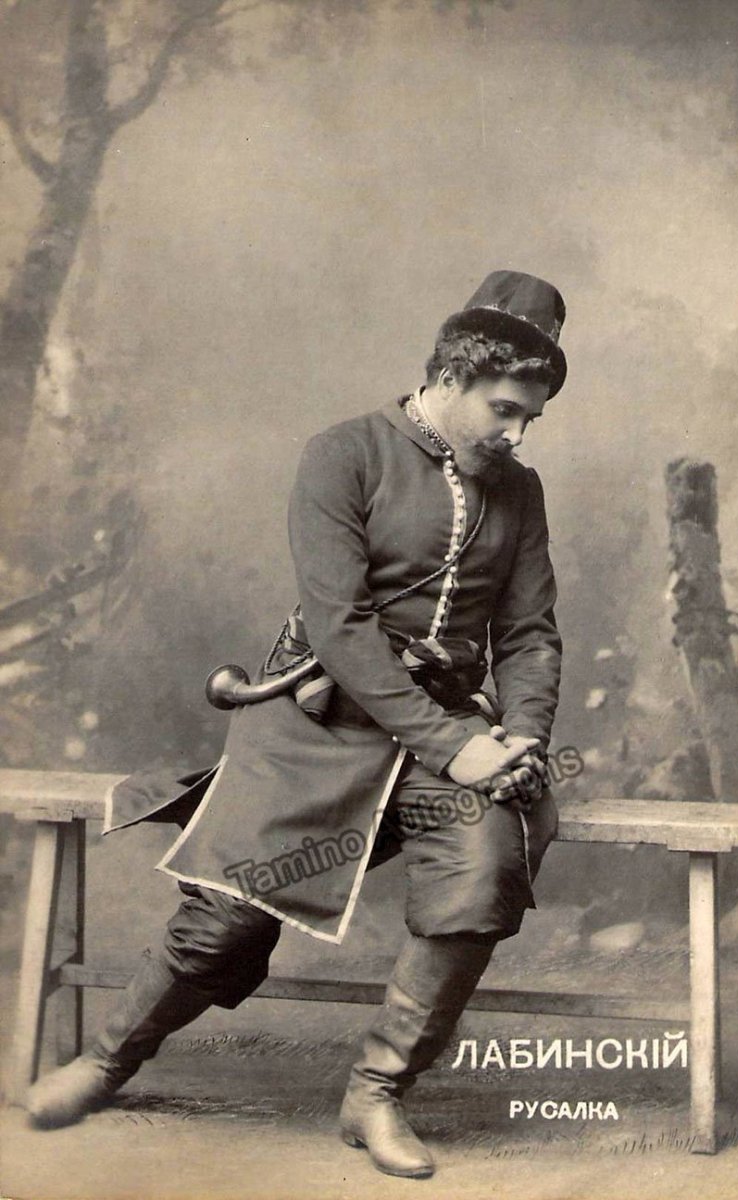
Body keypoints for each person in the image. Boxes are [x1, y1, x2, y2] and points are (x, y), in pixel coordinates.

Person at [27, 269, 567, 1180]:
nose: (516, 435)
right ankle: (109, 1061)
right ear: (451, 374)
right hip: (317, 718)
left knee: (479, 873)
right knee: (229, 915)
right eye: (504, 410)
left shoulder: (519, 490)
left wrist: (519, 739)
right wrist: (455, 747)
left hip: (446, 737)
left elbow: (528, 634)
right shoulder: (343, 453)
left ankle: (377, 1092)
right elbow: (340, 626)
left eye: (531, 420)